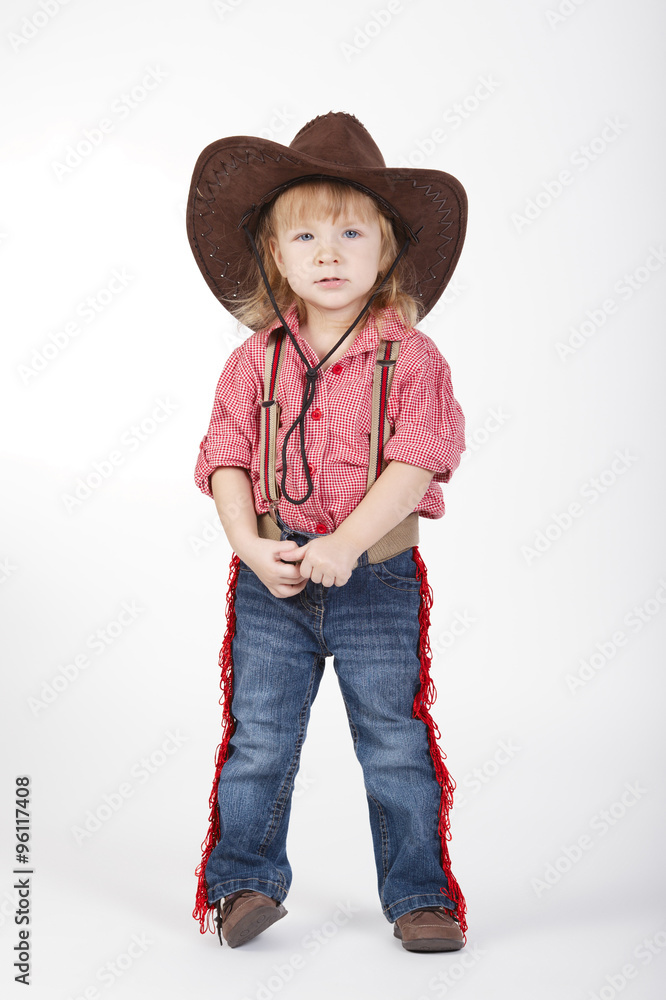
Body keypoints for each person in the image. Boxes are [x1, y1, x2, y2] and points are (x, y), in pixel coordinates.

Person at [186, 112, 469, 953]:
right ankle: (242, 885)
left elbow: (419, 459)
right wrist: (247, 544)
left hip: (375, 579)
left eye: (351, 233)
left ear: (386, 251)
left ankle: (421, 896)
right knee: (259, 738)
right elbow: (225, 456)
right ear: (276, 255)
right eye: (306, 235)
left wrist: (347, 543)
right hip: (272, 578)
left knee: (394, 741)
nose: (329, 253)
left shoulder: (412, 358)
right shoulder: (254, 360)